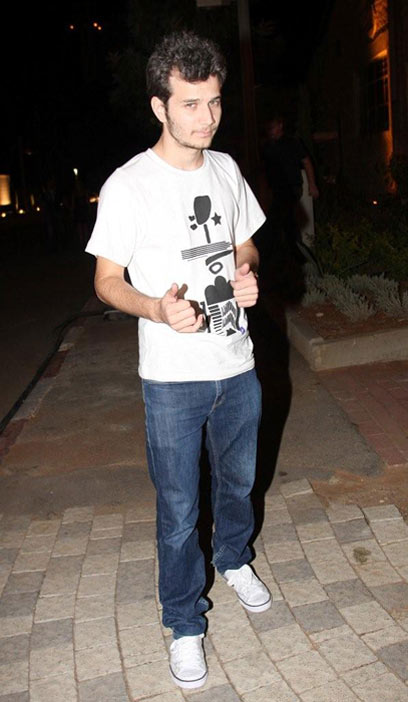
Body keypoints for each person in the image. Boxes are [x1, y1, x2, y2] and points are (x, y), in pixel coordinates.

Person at [85, 30, 270, 690]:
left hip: (237, 365)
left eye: (214, 101)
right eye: (190, 104)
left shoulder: (226, 169)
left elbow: (246, 244)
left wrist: (247, 273)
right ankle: (185, 622)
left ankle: (234, 558)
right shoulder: (128, 185)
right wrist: (156, 309)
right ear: (159, 106)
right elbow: (106, 281)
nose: (207, 117)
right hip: (171, 380)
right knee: (179, 510)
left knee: (238, 485)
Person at [257, 115, 319, 265]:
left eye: (273, 127)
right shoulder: (267, 147)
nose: (271, 131)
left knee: (286, 221)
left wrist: (312, 184)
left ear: (280, 126)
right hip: (275, 191)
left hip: (291, 188)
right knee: (282, 223)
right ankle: (292, 257)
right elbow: (263, 172)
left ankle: (298, 258)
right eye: (269, 128)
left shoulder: (292, 142)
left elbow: (306, 162)